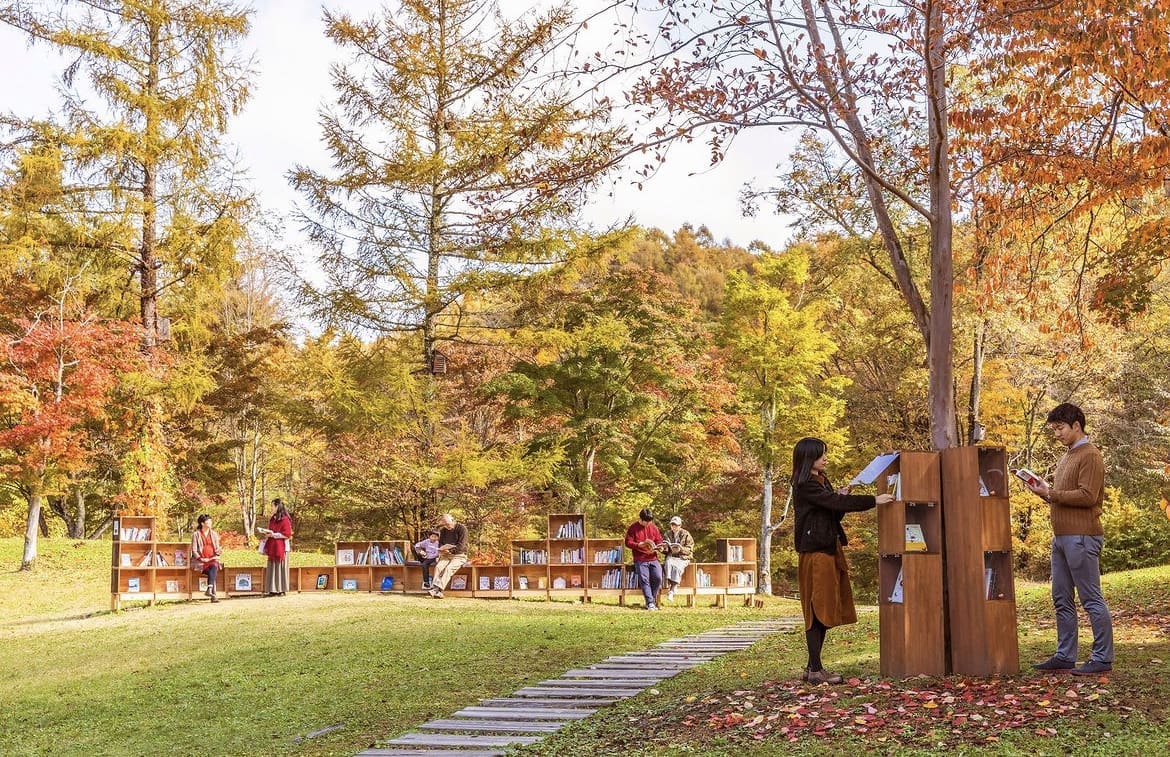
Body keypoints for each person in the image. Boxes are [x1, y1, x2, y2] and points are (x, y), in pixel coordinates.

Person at [792, 437, 895, 684]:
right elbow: (834, 504)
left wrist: (839, 495)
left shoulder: (820, 481)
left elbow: (834, 511)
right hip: (815, 553)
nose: (825, 458)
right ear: (809, 459)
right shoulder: (806, 484)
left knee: (825, 608)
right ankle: (815, 669)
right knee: (817, 611)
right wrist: (873, 500)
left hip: (827, 549)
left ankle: (812, 668)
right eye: (820, 455)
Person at [1024, 402, 1114, 675]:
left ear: (1077, 425)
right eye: (1054, 429)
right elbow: (1061, 496)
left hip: (1083, 536)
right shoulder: (1067, 457)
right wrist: (1044, 491)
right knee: (1061, 598)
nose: (1057, 433)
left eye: (1060, 428)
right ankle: (1065, 655)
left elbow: (1087, 496)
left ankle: (1102, 658)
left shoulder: (1091, 455)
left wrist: (1052, 494)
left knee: (1091, 599)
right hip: (1061, 537)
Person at [624, 508, 664, 610]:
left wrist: (661, 546)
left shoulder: (653, 527)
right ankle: (650, 602)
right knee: (644, 579)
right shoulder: (633, 528)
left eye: (650, 521)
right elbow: (628, 542)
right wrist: (639, 545)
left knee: (658, 577)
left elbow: (659, 540)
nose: (648, 524)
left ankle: (651, 600)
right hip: (640, 558)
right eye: (646, 522)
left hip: (653, 557)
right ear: (641, 519)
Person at [428, 513, 469, 599]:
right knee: (438, 567)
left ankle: (437, 589)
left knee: (449, 568)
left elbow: (461, 546)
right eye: (444, 524)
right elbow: (441, 543)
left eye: (448, 524)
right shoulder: (443, 531)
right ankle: (435, 589)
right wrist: (442, 549)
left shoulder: (462, 529)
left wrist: (450, 550)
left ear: (453, 520)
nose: (447, 526)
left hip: (459, 555)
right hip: (446, 555)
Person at [260, 498, 293, 596]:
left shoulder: (285, 519)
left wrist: (274, 535)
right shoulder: (273, 519)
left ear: (277, 506)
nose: (271, 508)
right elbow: (271, 530)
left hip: (281, 548)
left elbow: (287, 534)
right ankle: (272, 589)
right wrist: (267, 534)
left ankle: (281, 589)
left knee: (280, 569)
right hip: (273, 547)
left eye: (273, 506)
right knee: (272, 568)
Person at [661, 515, 694, 602]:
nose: (674, 527)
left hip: (682, 557)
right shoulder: (667, 534)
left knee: (677, 567)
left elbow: (690, 549)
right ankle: (670, 584)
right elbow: (665, 549)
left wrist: (681, 549)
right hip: (671, 556)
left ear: (680, 526)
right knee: (668, 562)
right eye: (673, 525)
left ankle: (672, 589)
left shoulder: (686, 534)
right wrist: (664, 549)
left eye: (676, 525)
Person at [190, 514, 223, 603]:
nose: (210, 523)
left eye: (211, 521)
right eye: (208, 522)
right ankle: (213, 595)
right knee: (212, 572)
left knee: (214, 566)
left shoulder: (214, 534)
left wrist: (218, 551)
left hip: (212, 559)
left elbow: (217, 548)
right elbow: (194, 550)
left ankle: (210, 590)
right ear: (202, 523)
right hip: (200, 561)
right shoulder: (196, 535)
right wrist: (201, 558)